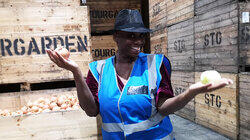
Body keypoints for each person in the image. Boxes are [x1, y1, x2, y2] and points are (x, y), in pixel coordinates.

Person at [46, 9, 233, 140]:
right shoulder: (98, 70)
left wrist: (190, 93)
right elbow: (91, 110)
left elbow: (164, 108)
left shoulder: (157, 64)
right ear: (116, 36)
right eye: (131, 36)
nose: (138, 41)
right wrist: (76, 73)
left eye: (141, 36)